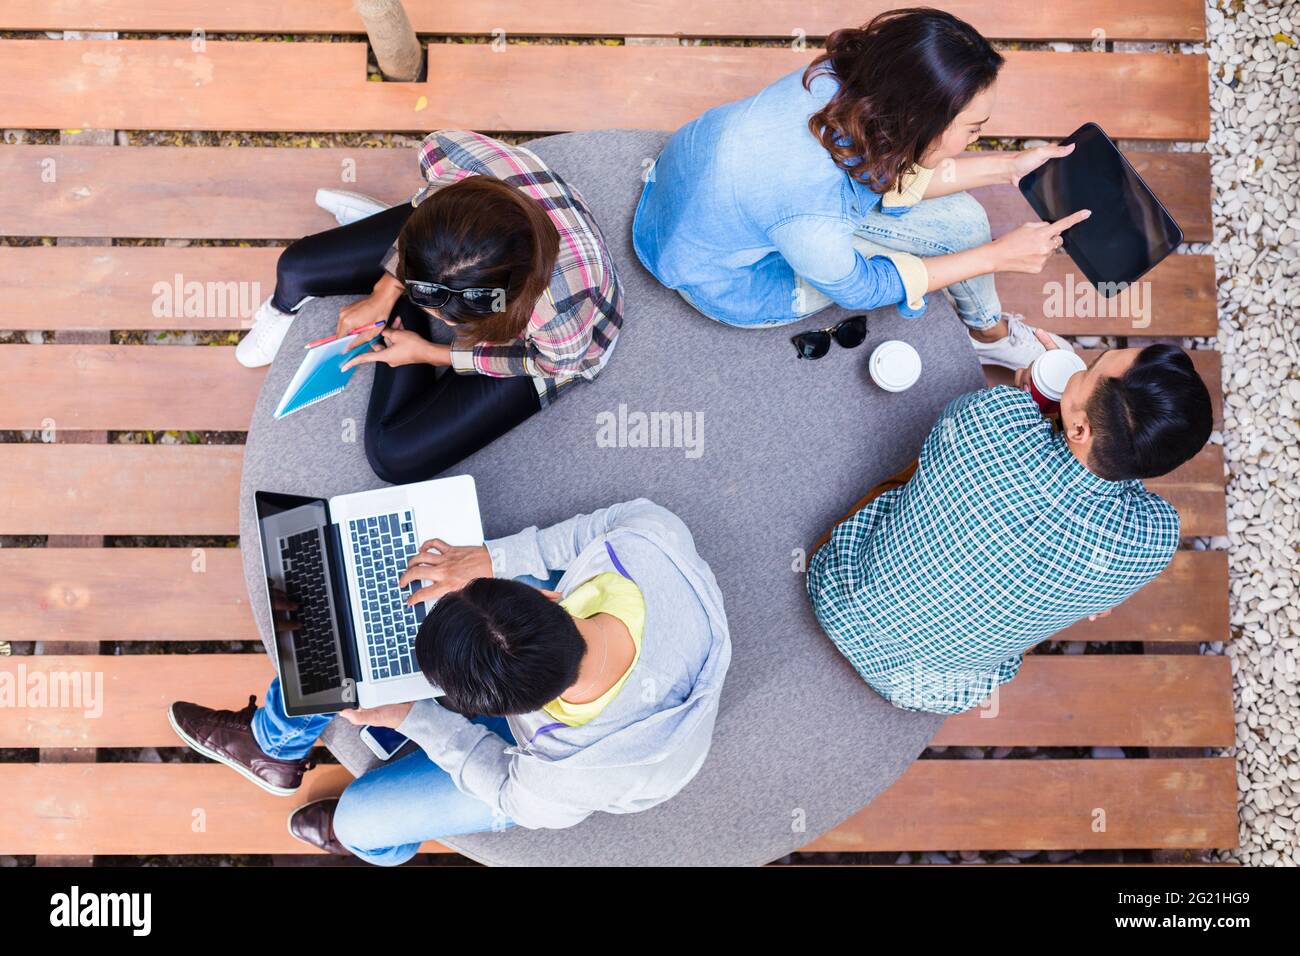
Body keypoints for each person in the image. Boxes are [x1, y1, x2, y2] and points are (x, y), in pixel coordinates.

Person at [168, 500, 731, 864]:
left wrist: (416, 718)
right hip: (609, 651)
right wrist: (491, 557)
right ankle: (274, 745)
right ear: (542, 595)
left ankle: (362, 833)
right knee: (351, 649)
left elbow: (515, 794)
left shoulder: (571, 773)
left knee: (359, 822)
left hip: (574, 762)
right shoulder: (644, 544)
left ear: (509, 718)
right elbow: (603, 525)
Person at [633, 7, 1090, 369]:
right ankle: (991, 338)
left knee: (964, 221)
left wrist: (1010, 166)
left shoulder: (843, 79)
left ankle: (988, 332)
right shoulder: (813, 216)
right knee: (950, 243)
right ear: (916, 122)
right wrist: (996, 257)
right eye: (974, 129)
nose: (977, 139)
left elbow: (877, 172)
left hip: (688, 189)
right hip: (727, 277)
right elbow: (861, 290)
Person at [806, 343, 1213, 714]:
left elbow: (972, 434)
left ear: (1079, 430)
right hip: (930, 691)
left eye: (1090, 366)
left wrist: (1030, 397)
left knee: (925, 479)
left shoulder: (993, 417)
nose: (1095, 353)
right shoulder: (1153, 540)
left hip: (839, 593)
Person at [236, 129, 624, 483]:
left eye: (447, 312)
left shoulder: (559, 313)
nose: (441, 316)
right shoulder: (446, 154)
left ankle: (401, 285)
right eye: (424, 293)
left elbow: (552, 363)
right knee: (296, 266)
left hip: (547, 343)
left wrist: (431, 353)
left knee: (393, 456)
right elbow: (425, 204)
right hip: (457, 234)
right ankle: (289, 308)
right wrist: (384, 291)